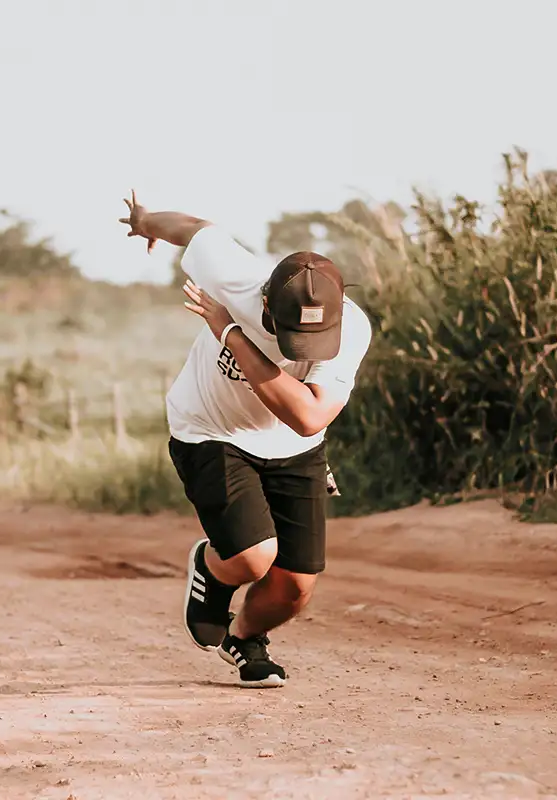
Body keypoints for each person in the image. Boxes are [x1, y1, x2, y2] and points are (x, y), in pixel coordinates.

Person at [118, 191, 373, 688]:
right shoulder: (236, 276)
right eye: (291, 335)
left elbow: (309, 418)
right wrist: (146, 221)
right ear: (264, 302)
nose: (303, 350)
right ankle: (212, 569)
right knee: (253, 556)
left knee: (296, 587)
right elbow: (194, 227)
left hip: (293, 444)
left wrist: (230, 333)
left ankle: (245, 637)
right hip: (209, 430)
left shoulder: (354, 328)